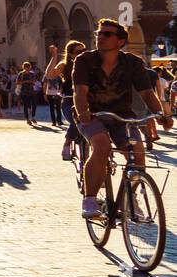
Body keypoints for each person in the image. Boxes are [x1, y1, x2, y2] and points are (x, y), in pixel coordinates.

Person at [74, 18, 172, 219]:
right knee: (101, 146)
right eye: (98, 34)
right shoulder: (84, 60)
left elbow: (146, 93)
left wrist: (161, 114)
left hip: (122, 117)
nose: (100, 37)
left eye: (107, 34)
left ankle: (129, 197)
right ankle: (90, 200)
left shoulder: (132, 63)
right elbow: (80, 91)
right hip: (93, 115)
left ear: (120, 41)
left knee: (138, 156)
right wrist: (83, 111)